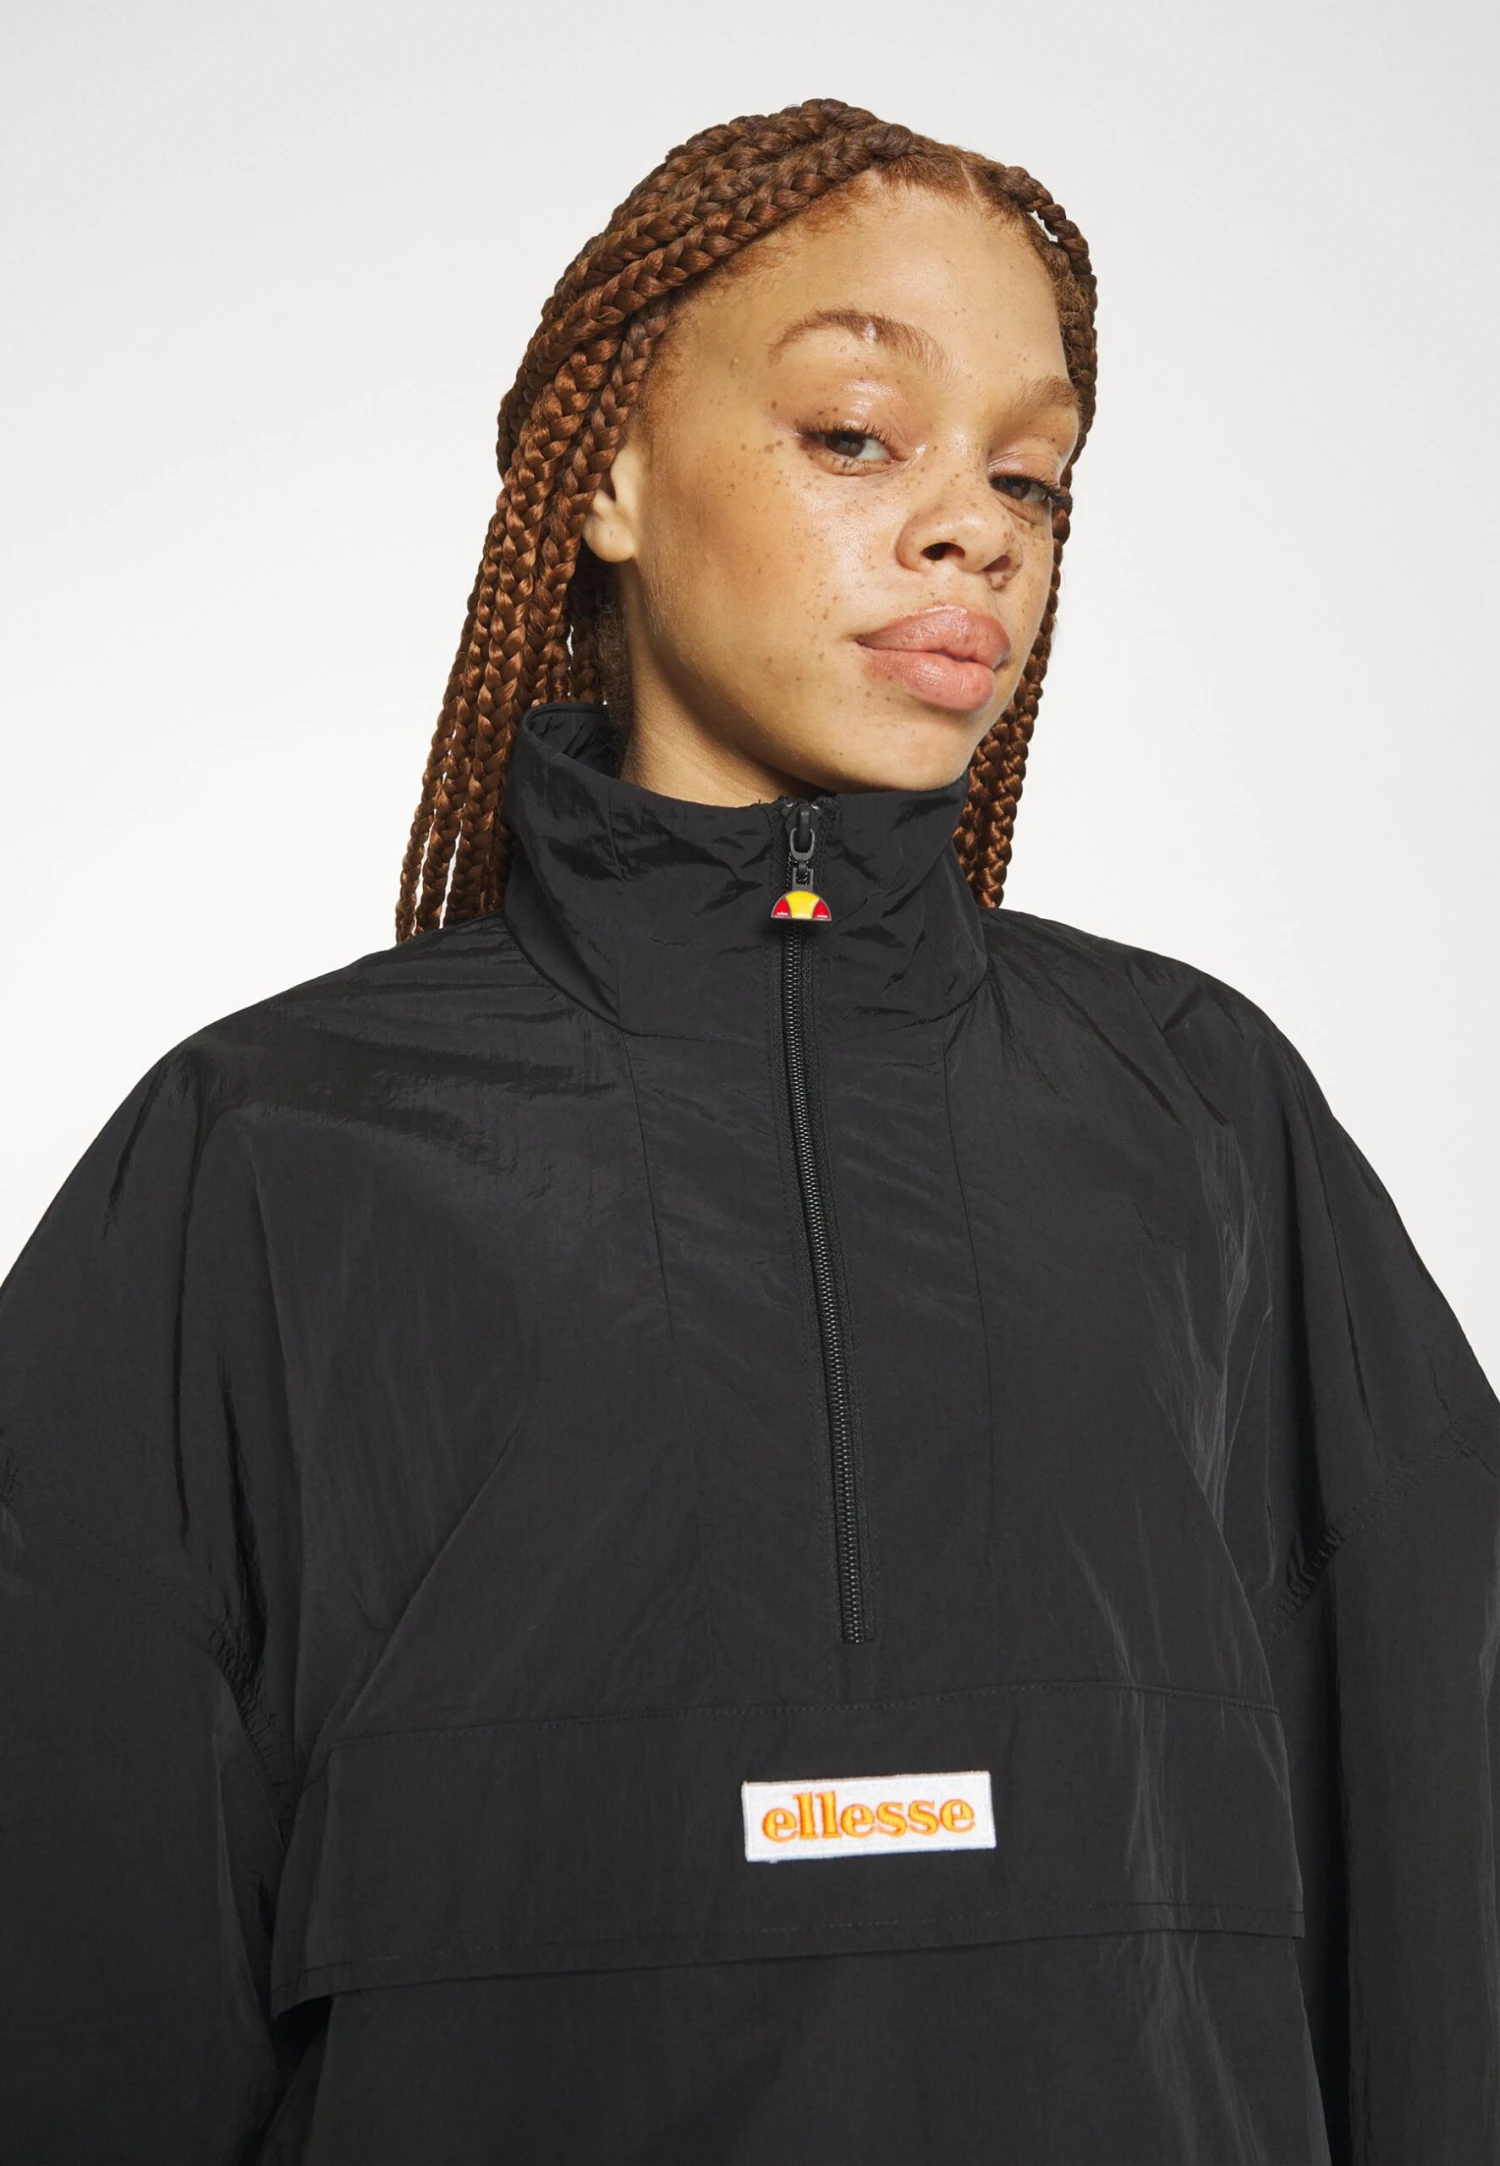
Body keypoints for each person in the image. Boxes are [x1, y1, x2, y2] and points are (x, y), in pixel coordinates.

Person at [1, 96, 1495, 2166]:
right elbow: (78, 1960)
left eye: (1030, 475)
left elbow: (1440, 1869)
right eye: (857, 435)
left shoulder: (1202, 1107)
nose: (975, 530)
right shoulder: (269, 1144)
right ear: (609, 474)